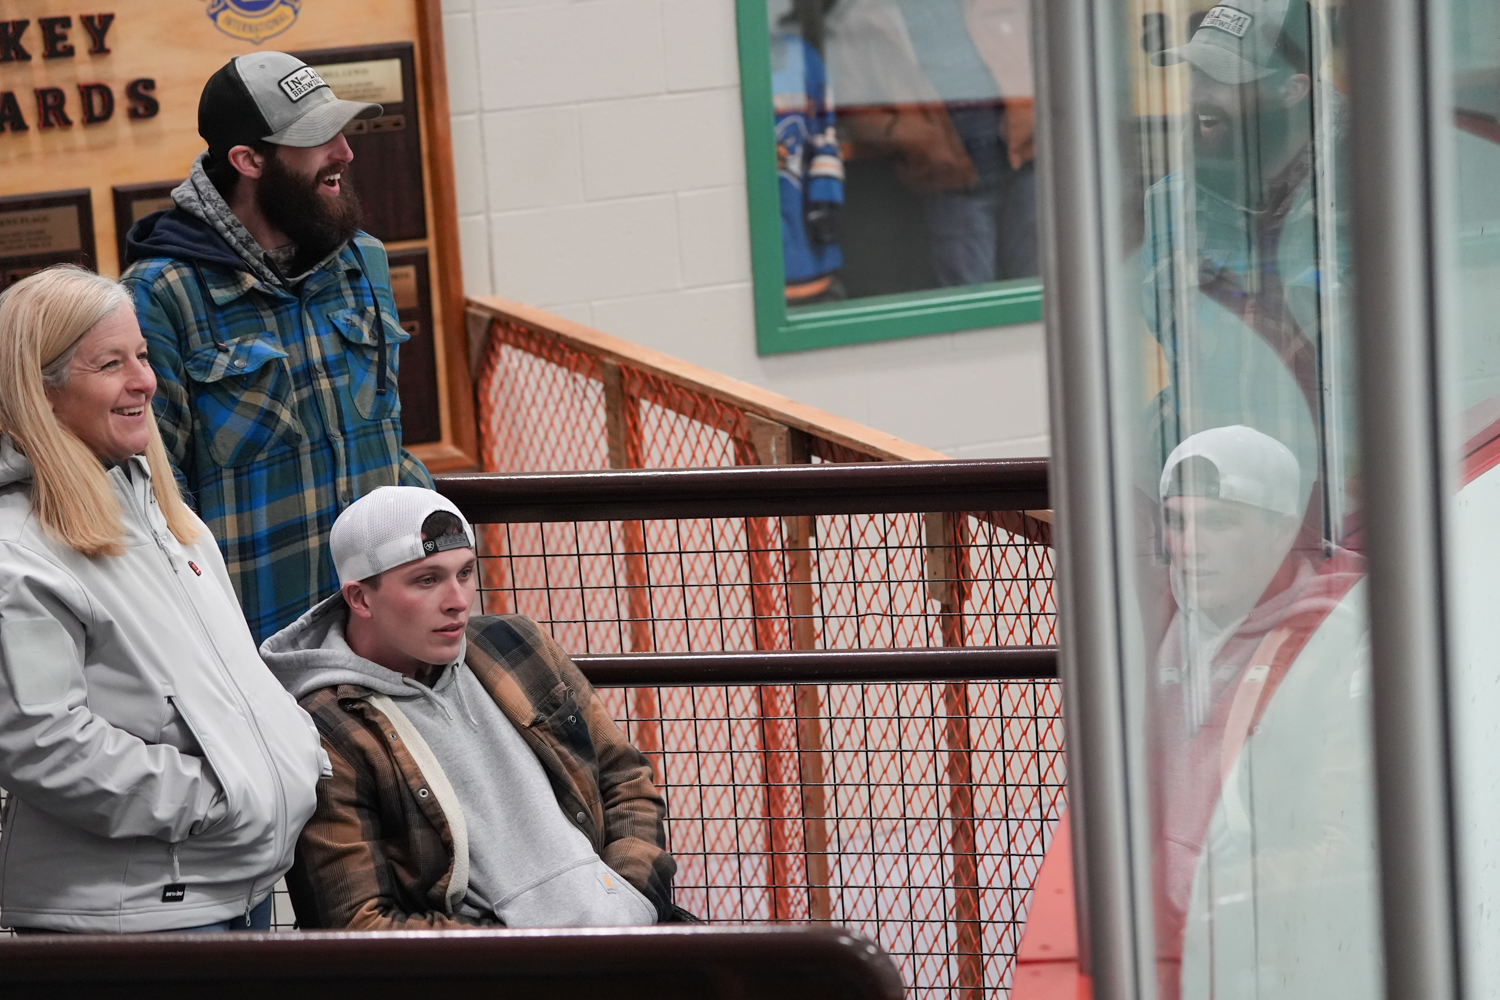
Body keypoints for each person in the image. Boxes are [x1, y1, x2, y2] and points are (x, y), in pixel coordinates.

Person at [0, 266, 322, 933]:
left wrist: (291, 756)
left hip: (225, 882)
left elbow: (227, 678)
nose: (144, 380)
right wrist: (215, 801)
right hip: (135, 914)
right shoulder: (17, 550)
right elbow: (40, 742)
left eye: (142, 355)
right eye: (110, 363)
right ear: (41, 391)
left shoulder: (160, 513)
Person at [121, 51, 433, 647]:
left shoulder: (363, 260)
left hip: (382, 634)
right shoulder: (160, 295)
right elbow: (153, 492)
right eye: (317, 137)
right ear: (249, 160)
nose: (344, 152)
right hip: (257, 648)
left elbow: (385, 438)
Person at [261, 486, 679, 929]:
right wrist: (535, 953)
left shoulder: (517, 643)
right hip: (500, 963)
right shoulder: (324, 726)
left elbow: (624, 776)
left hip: (630, 932)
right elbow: (358, 923)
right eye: (427, 580)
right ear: (360, 598)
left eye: (464, 573)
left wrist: (631, 902)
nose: (458, 601)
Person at [1149, 426, 1377, 1000]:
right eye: (1176, 521)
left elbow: (1348, 850)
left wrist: (1208, 895)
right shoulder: (1153, 617)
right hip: (1166, 948)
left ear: (1282, 531)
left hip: (1279, 954)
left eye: (1219, 522)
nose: (1190, 545)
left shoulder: (1340, 634)